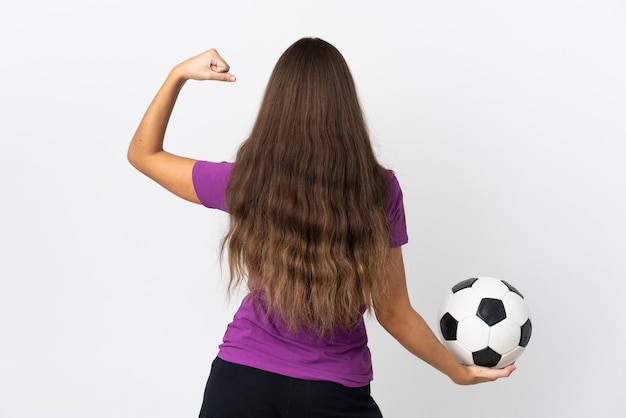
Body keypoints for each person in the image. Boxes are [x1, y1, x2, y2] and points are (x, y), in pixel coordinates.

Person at [128, 37, 515, 418]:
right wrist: (457, 373)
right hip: (333, 393)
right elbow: (394, 313)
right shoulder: (378, 191)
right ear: (346, 108)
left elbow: (143, 154)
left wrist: (179, 74)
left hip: (241, 383)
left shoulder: (246, 182)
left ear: (276, 106)